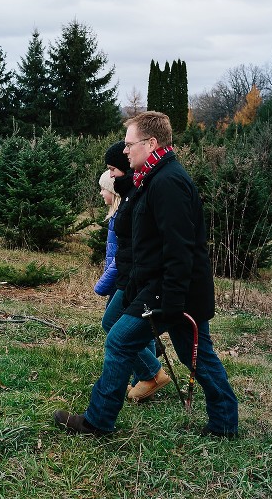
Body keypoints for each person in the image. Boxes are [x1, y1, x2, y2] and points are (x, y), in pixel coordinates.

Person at [54, 111, 239, 437]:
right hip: (171, 290)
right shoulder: (154, 177)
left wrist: (168, 300)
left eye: (129, 144)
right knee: (196, 355)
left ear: (151, 143)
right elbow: (138, 208)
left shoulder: (168, 183)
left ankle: (98, 421)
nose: (125, 151)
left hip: (169, 292)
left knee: (120, 341)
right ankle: (225, 423)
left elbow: (179, 249)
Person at [95, 143, 170, 402]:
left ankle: (151, 373)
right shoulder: (129, 194)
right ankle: (144, 379)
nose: (112, 175)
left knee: (111, 325)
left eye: (113, 169)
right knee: (137, 330)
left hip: (132, 279)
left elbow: (134, 246)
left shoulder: (137, 195)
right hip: (129, 276)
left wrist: (112, 281)